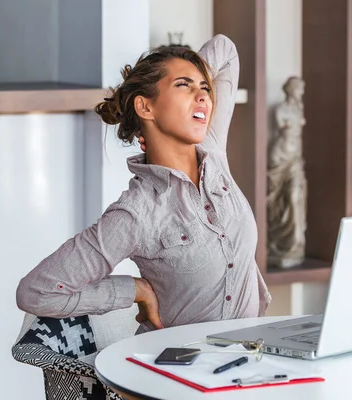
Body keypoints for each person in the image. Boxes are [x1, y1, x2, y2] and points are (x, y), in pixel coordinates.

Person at [16, 35, 271, 334]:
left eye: (204, 88)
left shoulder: (213, 153)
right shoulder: (137, 214)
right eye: (183, 86)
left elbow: (225, 49)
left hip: (253, 360)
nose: (203, 96)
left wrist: (187, 72)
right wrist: (135, 290)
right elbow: (37, 292)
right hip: (182, 374)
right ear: (145, 107)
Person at [267, 76, 307, 268]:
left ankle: (293, 243)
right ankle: (279, 241)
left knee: (294, 197)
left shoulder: (299, 108)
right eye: (299, 89)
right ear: (290, 90)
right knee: (278, 197)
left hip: (295, 158)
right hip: (280, 155)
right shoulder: (280, 110)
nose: (302, 93)